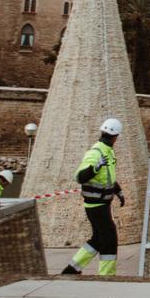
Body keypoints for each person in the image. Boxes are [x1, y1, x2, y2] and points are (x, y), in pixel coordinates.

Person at [61, 118, 126, 276]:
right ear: (116, 136)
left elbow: (108, 177)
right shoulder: (95, 152)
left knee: (98, 238)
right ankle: (107, 276)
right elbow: (80, 177)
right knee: (109, 239)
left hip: (102, 204)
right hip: (95, 205)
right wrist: (95, 168)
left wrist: (118, 191)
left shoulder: (108, 151)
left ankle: (72, 270)